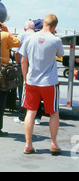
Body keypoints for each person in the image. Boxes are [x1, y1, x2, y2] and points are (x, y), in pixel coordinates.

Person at [19, 14, 64, 155]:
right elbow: (61, 55)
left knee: (30, 112)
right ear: (54, 26)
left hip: (32, 81)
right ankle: (53, 143)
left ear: (43, 23)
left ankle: (28, 144)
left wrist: (25, 78)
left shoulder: (29, 38)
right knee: (53, 112)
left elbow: (23, 61)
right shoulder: (56, 40)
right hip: (49, 82)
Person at [13, 20, 43, 124]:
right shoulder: (38, 36)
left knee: (23, 91)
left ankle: (22, 116)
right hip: (37, 67)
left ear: (25, 28)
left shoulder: (22, 36)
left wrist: (17, 63)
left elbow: (16, 52)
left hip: (24, 66)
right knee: (37, 91)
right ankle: (37, 117)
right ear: (34, 28)